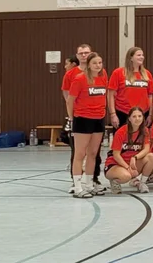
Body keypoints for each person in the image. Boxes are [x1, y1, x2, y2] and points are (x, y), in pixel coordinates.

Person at [62, 44, 104, 194]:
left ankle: (89, 184)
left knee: (93, 153)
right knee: (80, 153)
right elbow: (70, 100)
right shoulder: (79, 79)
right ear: (89, 65)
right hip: (82, 118)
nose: (98, 65)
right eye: (94, 63)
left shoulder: (103, 76)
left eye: (100, 62)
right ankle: (77, 185)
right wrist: (72, 118)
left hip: (99, 119)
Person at [104, 107, 153, 194]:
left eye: (139, 116)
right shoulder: (121, 132)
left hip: (132, 162)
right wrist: (127, 168)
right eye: (134, 116)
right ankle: (115, 181)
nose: (137, 119)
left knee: (151, 157)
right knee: (126, 176)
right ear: (129, 119)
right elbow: (116, 155)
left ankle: (142, 182)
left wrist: (135, 157)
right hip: (115, 164)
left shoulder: (145, 131)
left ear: (143, 118)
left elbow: (146, 149)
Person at [108, 47, 153, 128]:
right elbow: (110, 95)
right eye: (138, 55)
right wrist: (113, 114)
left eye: (142, 55)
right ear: (131, 58)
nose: (141, 57)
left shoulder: (147, 74)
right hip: (123, 112)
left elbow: (150, 95)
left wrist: (150, 115)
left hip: (142, 113)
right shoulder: (118, 73)